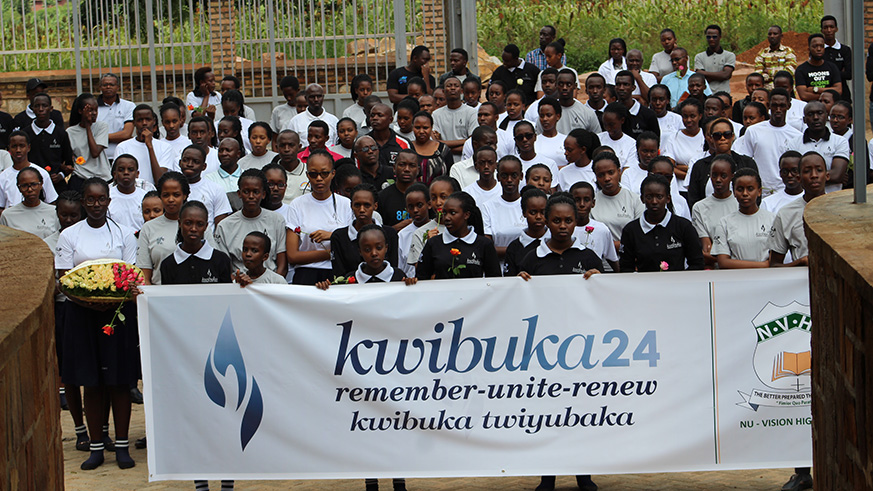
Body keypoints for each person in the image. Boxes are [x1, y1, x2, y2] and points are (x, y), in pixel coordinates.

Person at [55, 177, 139, 471]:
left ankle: (121, 446)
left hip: (116, 315)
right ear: (82, 202)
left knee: (118, 381)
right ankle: (95, 447)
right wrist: (88, 302)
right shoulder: (69, 235)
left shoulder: (124, 234)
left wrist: (108, 301)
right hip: (81, 314)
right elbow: (64, 280)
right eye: (89, 200)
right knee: (91, 382)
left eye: (101, 199)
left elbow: (131, 277)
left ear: (108, 201)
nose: (95, 205)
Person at [286, 151, 354, 284]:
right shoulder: (297, 205)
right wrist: (332, 252)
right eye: (313, 174)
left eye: (324, 173)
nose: (319, 178)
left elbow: (353, 245)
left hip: (337, 271)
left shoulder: (346, 204)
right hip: (306, 272)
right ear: (307, 175)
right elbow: (292, 256)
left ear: (333, 173)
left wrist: (332, 236)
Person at [619, 174, 704, 272]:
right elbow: (626, 267)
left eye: (659, 197)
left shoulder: (683, 226)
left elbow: (697, 263)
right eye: (649, 197)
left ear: (668, 198)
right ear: (642, 199)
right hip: (644, 285)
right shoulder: (631, 230)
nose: (654, 201)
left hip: (678, 285)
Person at [517, 191, 602, 286]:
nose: (562, 226)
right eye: (556, 221)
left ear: (575, 222)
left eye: (568, 221)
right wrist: (520, 282)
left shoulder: (589, 257)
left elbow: (603, 292)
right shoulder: (532, 258)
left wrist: (599, 279)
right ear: (547, 222)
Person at [416, 191, 500, 279]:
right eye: (444, 213)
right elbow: (422, 277)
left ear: (466, 215)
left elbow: (495, 280)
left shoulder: (484, 244)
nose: (447, 218)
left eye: (452, 213)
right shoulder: (433, 243)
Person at [732, 88, 801, 196]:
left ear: (788, 106)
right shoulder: (753, 131)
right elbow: (744, 161)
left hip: (785, 191)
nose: (778, 109)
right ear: (768, 105)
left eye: (782, 106)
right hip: (759, 192)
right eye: (774, 105)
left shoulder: (796, 136)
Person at [768, 151, 828, 270]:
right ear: (799, 178)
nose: (814, 175)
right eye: (807, 171)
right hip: (802, 281)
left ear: (827, 176)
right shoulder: (786, 214)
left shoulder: (840, 209)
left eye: (819, 170)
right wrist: (800, 263)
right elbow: (774, 264)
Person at [330, 183, 399, 277]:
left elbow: (392, 270)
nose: (362, 209)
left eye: (367, 205)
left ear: (375, 206)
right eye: (357, 205)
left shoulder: (390, 234)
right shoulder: (339, 237)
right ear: (351, 206)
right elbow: (339, 274)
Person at [711, 168, 774, 269]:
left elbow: (775, 259)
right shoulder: (725, 222)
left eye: (750, 189)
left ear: (759, 191)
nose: (745, 193)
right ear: (734, 192)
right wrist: (764, 265)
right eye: (740, 189)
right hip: (736, 280)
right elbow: (723, 262)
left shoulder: (772, 219)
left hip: (767, 280)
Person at [687, 118, 758, 208]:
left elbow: (756, 193)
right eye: (717, 135)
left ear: (733, 136)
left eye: (727, 134)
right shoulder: (700, 166)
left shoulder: (747, 163)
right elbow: (694, 197)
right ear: (711, 138)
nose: (722, 138)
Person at [782, 101, 849, 194]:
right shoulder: (793, 143)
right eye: (810, 114)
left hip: (833, 199)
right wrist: (828, 175)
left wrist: (805, 177)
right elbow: (793, 176)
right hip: (803, 199)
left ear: (826, 116)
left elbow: (837, 175)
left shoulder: (840, 141)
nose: (816, 117)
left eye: (820, 113)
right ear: (804, 120)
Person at [137, 172, 188, 285]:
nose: (170, 199)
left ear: (184, 195)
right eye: (165, 195)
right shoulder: (148, 228)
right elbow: (144, 275)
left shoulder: (197, 224)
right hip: (159, 296)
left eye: (176, 195)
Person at [691, 154, 739, 267]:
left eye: (723, 176)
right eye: (714, 175)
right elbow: (707, 249)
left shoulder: (740, 204)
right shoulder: (699, 208)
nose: (718, 180)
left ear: (732, 176)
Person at [590, 151, 644, 250]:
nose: (607, 178)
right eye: (601, 175)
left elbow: (641, 236)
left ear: (619, 172)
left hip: (629, 259)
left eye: (611, 172)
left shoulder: (635, 200)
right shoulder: (591, 203)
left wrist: (612, 246)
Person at [23, 93, 74, 193]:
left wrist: (61, 175)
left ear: (51, 108)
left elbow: (68, 163)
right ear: (32, 109)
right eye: (37, 106)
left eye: (44, 105)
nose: (41, 109)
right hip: (31, 186)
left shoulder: (61, 134)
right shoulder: (26, 134)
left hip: (56, 186)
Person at [115, 105, 175, 185]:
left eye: (148, 119)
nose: (144, 123)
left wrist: (150, 146)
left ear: (154, 121)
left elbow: (160, 180)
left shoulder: (165, 147)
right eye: (140, 120)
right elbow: (118, 178)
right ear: (134, 123)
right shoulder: (122, 147)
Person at [407, 176, 460, 267]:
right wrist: (429, 245)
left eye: (443, 197)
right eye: (434, 198)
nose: (438, 202)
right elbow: (419, 270)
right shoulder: (420, 233)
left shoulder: (465, 229)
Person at [481, 155, 526, 263]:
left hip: (527, 267)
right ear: (498, 177)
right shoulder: (488, 206)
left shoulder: (528, 205)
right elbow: (488, 248)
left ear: (521, 176)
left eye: (514, 175)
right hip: (499, 269)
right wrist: (521, 251)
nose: (509, 180)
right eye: (504, 176)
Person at [570, 181, 620, 271]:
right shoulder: (563, 229)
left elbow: (612, 259)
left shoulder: (602, 229)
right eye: (577, 200)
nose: (582, 204)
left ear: (593, 203)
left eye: (586, 200)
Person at [0, 131, 58, 209]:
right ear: (9, 149)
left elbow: (51, 202)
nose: (18, 150)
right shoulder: (3, 176)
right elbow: (1, 206)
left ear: (28, 147)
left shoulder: (41, 173)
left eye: (22, 146)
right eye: (14, 146)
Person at [180, 144, 232, 229]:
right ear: (180, 163)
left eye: (195, 161)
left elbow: (221, 225)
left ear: (204, 166)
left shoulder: (216, 189)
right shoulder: (172, 189)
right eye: (185, 160)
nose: (189, 164)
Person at [661, 98, 706, 195]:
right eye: (685, 116)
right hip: (679, 189)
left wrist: (681, 167)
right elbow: (669, 167)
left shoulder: (706, 137)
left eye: (692, 116)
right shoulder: (673, 138)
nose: (688, 120)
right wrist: (691, 173)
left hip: (701, 189)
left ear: (700, 116)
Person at [0, 166, 58, 237]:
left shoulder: (54, 212)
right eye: (24, 186)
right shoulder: (7, 215)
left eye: (34, 184)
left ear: (41, 184)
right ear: (19, 188)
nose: (30, 189)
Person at [67, 93, 110, 188]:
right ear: (80, 111)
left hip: (101, 177)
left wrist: (88, 126)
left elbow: (95, 152)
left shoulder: (101, 126)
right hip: (80, 176)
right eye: (90, 110)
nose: (94, 113)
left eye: (96, 110)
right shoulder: (70, 132)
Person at [504, 187, 548, 276]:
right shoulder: (514, 248)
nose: (538, 217)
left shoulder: (557, 243)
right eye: (533, 212)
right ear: (524, 212)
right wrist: (518, 279)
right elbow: (509, 282)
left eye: (543, 212)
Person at [432, 77, 478, 162]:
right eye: (449, 86)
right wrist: (464, 141)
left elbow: (472, 143)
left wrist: (445, 149)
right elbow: (435, 143)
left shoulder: (471, 112)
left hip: (465, 161)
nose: (452, 88)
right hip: (443, 162)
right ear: (443, 91)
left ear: (461, 91)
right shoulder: (436, 114)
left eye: (456, 86)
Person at [94, 74, 136, 162]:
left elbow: (126, 134)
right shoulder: (93, 107)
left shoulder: (128, 106)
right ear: (100, 87)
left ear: (118, 87)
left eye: (112, 84)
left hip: (122, 155)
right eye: (105, 85)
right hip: (99, 157)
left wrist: (100, 138)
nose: (108, 87)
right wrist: (117, 136)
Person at [378, 149, 420, 229]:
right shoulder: (382, 197)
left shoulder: (426, 195)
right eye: (402, 164)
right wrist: (397, 228)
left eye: (412, 165)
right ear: (394, 168)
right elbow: (380, 231)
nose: (407, 169)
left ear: (418, 170)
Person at [795, 34, 843, 102]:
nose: (819, 49)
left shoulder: (832, 67)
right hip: (810, 108)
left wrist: (816, 89)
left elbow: (838, 90)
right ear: (809, 48)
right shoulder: (801, 70)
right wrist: (828, 97)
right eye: (815, 46)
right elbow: (804, 95)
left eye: (821, 46)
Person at [107, 155, 149, 231]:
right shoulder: (107, 196)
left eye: (130, 169)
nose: (126, 172)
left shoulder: (145, 197)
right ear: (115, 174)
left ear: (137, 174)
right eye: (121, 169)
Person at [613, 70, 660, 140]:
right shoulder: (609, 112)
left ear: (633, 88)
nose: (621, 88)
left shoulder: (648, 114)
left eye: (626, 84)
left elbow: (655, 140)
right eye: (618, 84)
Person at [397, 183, 430, 277]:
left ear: (429, 204)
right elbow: (401, 266)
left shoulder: (438, 229)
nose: (415, 210)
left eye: (419, 205)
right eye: (411, 207)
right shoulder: (402, 235)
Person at [411, 111, 452, 184]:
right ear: (412, 127)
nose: (421, 131)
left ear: (432, 127)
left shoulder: (443, 149)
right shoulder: (407, 147)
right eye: (417, 127)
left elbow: (449, 176)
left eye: (425, 128)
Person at [367, 103, 412, 169]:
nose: (375, 118)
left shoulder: (404, 143)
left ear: (390, 120)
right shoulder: (363, 142)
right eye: (372, 115)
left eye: (380, 115)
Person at [693, 24, 735, 94]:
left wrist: (703, 73)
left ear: (720, 37)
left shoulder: (729, 55)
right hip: (706, 95)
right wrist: (721, 75)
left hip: (724, 95)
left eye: (714, 37)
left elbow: (726, 75)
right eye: (708, 37)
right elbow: (700, 78)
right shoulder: (699, 57)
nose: (711, 39)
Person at [647, 156, 692, 220]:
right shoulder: (638, 202)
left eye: (667, 177)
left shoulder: (680, 201)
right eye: (658, 175)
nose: (662, 179)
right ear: (649, 175)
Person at [754, 26, 797, 90]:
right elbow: (758, 75)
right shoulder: (762, 54)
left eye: (775, 34)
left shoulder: (788, 52)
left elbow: (789, 73)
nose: (772, 36)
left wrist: (768, 73)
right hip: (767, 92)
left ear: (781, 36)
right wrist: (779, 73)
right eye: (769, 34)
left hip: (785, 91)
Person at [821, 15, 852, 101]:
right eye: (826, 27)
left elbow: (849, 74)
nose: (829, 30)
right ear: (822, 30)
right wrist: (839, 73)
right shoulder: (818, 50)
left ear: (836, 29)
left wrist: (826, 73)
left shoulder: (845, 50)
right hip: (822, 95)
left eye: (831, 27)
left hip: (843, 95)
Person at [596, 103, 637, 169]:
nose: (608, 128)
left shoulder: (632, 144)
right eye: (605, 124)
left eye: (611, 124)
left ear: (622, 120)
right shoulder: (597, 138)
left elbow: (627, 170)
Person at [272, 130, 309, 204]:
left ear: (299, 147)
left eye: (291, 145)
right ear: (277, 147)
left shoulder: (310, 172)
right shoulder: (270, 173)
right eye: (282, 145)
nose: (286, 149)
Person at [535, 98, 567, 166]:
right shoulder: (534, 142)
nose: (545, 119)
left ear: (558, 116)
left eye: (549, 115)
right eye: (542, 116)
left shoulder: (566, 140)